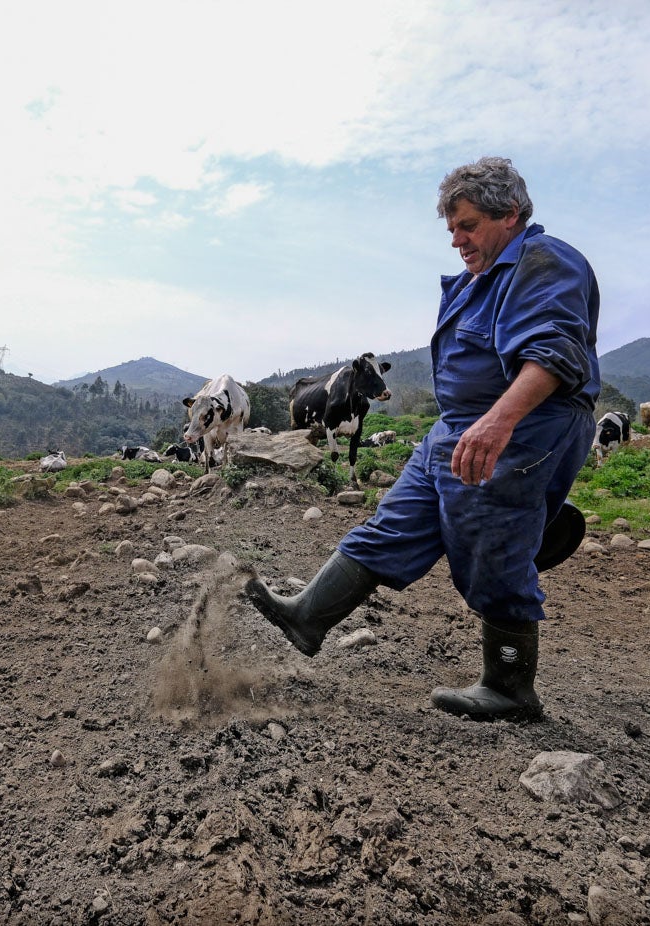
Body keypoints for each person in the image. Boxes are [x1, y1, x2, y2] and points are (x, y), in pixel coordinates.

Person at [244, 156, 599, 721]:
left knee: (492, 547)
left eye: (469, 226)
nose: (457, 240)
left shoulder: (545, 261)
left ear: (509, 213)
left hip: (518, 429)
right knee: (395, 522)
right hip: (456, 429)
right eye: (452, 229)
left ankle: (509, 685)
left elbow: (555, 352)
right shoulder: (478, 278)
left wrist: (499, 421)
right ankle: (307, 615)